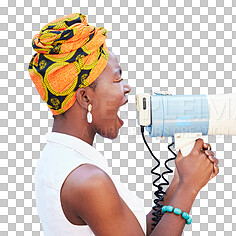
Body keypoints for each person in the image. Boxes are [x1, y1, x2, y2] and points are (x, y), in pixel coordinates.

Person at [29, 13, 219, 235]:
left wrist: (178, 180)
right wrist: (190, 187)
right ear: (85, 98)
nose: (127, 88)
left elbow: (133, 230)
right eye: (118, 79)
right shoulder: (88, 180)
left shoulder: (62, 159)